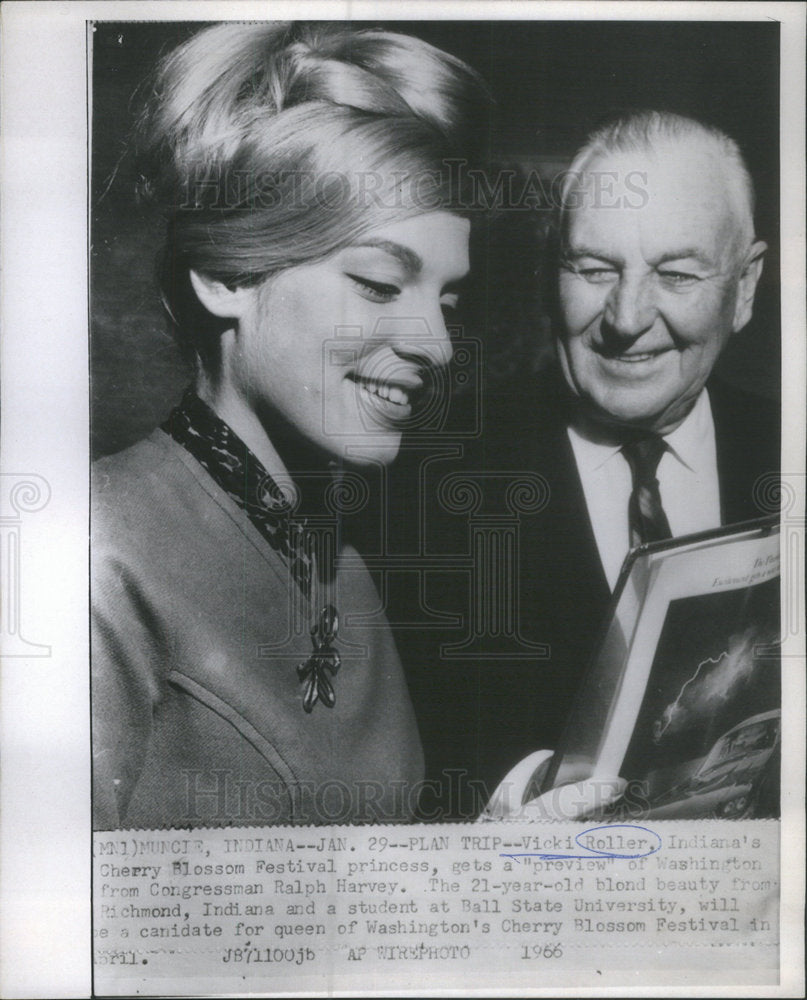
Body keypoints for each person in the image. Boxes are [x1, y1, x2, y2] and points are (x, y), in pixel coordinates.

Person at [91, 21, 489, 830]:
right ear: (225, 275)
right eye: (380, 284)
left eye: (447, 299)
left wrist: (488, 857)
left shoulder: (332, 546)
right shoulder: (96, 555)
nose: (437, 344)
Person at [417, 111, 780, 803]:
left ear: (744, 287)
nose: (624, 318)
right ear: (549, 274)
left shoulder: (788, 452)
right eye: (593, 268)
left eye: (675, 275)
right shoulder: (428, 477)